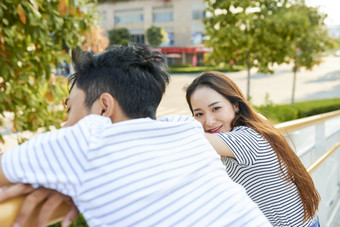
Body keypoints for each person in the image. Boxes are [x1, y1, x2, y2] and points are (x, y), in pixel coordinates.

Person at [0, 44, 271, 227]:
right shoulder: (185, 128)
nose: (65, 123)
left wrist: (70, 177)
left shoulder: (86, 138)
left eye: (70, 109)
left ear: (104, 107)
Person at [185, 71, 320, 227]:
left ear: (235, 105)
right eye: (199, 114)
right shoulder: (253, 124)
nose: (208, 121)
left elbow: (189, 138)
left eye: (216, 108)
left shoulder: (246, 139)